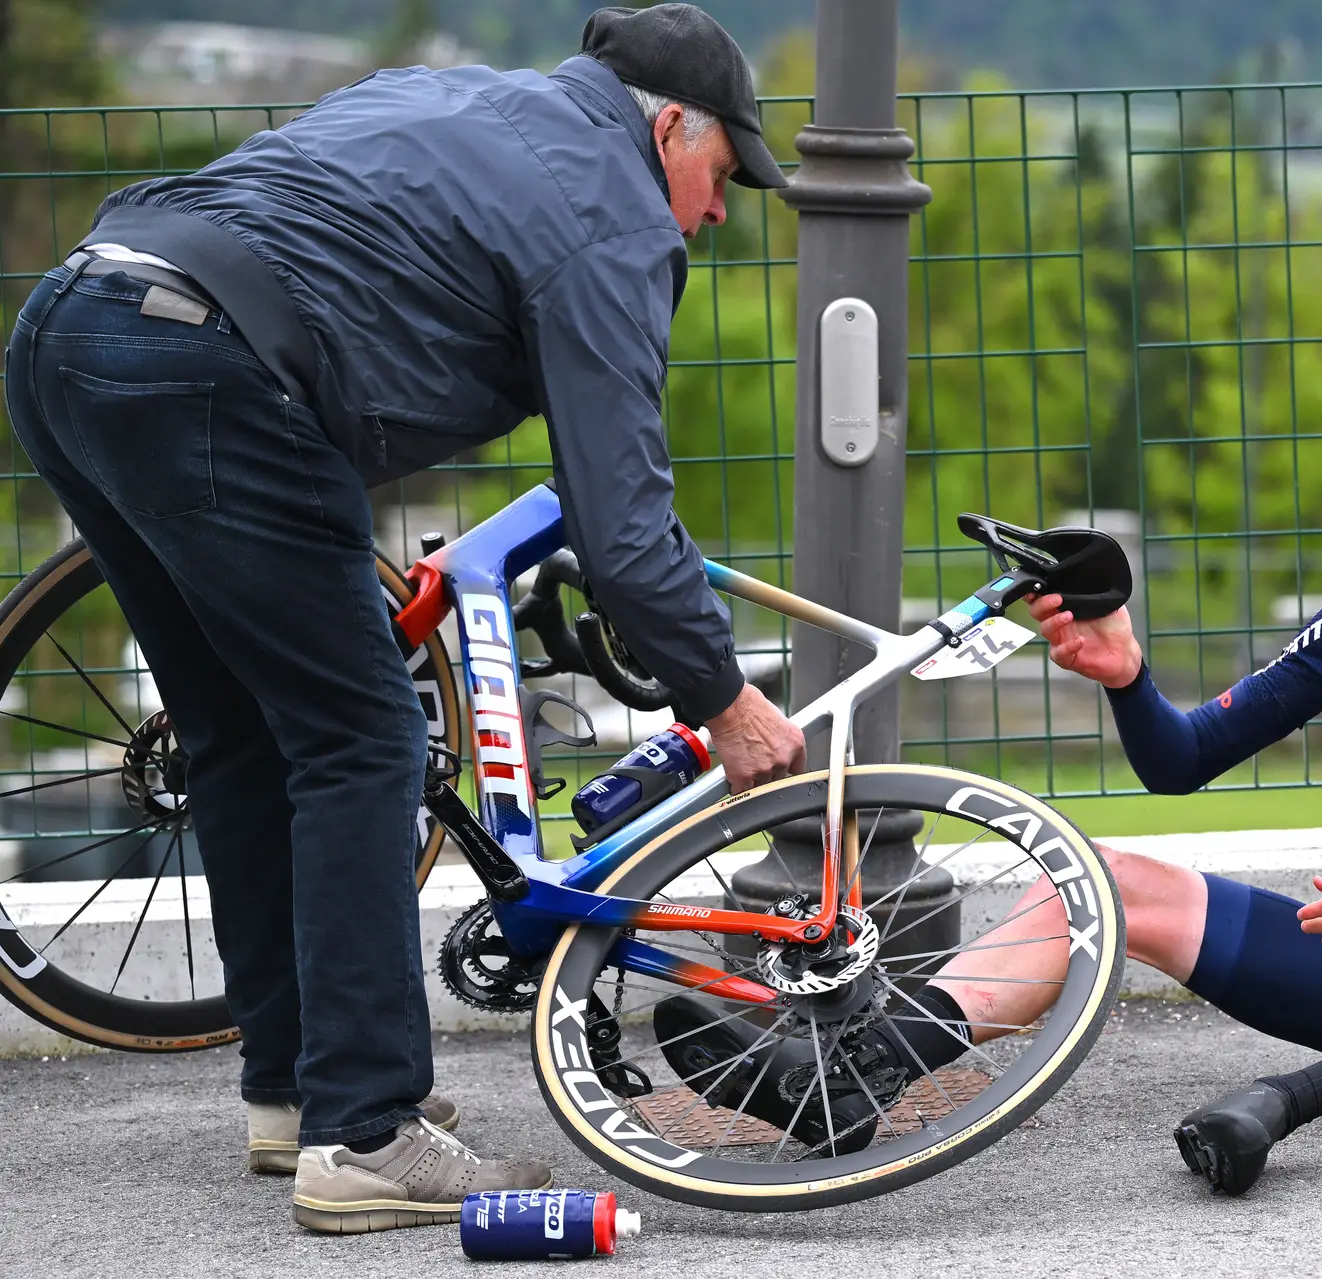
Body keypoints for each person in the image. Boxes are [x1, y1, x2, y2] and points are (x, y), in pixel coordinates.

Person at [2, 4, 806, 1233]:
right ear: (669, 127)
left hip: (73, 324)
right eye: (724, 172)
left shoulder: (452, 98)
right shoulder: (608, 212)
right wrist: (724, 697)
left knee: (240, 728)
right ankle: (367, 1130)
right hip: (216, 367)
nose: (721, 206)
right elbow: (623, 520)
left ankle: (293, 1094)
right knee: (367, 740)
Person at [659, 414, 1322, 1195]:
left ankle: (1281, 1106)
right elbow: (1181, 761)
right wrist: (1127, 677)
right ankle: (847, 1080)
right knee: (1103, 880)